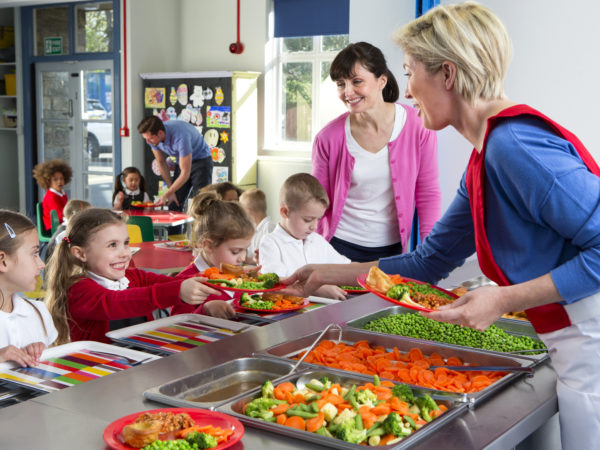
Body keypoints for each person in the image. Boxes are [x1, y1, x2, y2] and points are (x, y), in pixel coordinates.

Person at [283, 3, 600, 449]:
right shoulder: (485, 155)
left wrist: (502, 299)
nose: (406, 90)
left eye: (410, 73)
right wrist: (323, 272)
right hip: (572, 342)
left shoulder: (515, 146)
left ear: (447, 75)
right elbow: (427, 262)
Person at [313, 42, 441, 262]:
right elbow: (314, 204)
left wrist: (431, 256)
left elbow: (428, 194)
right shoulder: (328, 138)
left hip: (391, 251)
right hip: (337, 248)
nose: (348, 92)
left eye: (357, 82)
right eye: (341, 84)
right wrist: (301, 250)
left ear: (381, 81)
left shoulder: (417, 126)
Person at [44, 208, 216, 344]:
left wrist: (213, 278)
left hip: (136, 362)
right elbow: (116, 302)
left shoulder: (133, 277)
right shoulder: (78, 289)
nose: (125, 253)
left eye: (126, 243)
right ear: (80, 254)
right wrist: (177, 292)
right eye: (112, 245)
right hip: (97, 374)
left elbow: (176, 282)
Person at [259, 173, 349, 300]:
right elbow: (275, 281)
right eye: (308, 220)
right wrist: (317, 288)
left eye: (318, 219)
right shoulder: (271, 242)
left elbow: (345, 267)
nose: (314, 226)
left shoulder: (316, 240)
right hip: (291, 313)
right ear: (285, 212)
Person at [172, 192, 255, 318]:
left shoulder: (240, 276)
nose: (242, 258)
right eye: (235, 251)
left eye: (245, 250)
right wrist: (205, 310)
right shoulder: (185, 282)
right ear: (209, 246)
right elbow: (176, 327)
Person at [0, 210, 57, 367]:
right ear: (2, 262)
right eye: (34, 253)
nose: (42, 264)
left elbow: (53, 370)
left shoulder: (39, 312)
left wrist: (41, 352)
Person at [137, 116, 213, 211]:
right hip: (182, 159)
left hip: (201, 160)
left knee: (202, 203)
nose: (148, 142)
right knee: (174, 202)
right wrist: (170, 192)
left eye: (150, 138)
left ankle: (201, 225)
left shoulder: (180, 137)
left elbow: (185, 173)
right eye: (146, 138)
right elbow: (161, 162)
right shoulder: (152, 139)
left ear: (160, 133)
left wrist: (166, 194)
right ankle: (174, 226)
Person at [32, 159, 73, 233]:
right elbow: (60, 215)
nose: (59, 181)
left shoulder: (62, 193)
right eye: (55, 179)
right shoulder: (51, 197)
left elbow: (65, 210)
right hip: (53, 228)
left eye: (61, 178)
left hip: (61, 223)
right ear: (48, 181)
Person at [239, 188, 276, 263]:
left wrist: (249, 260)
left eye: (242, 211)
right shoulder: (252, 228)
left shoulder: (269, 228)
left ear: (249, 211)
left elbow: (269, 257)